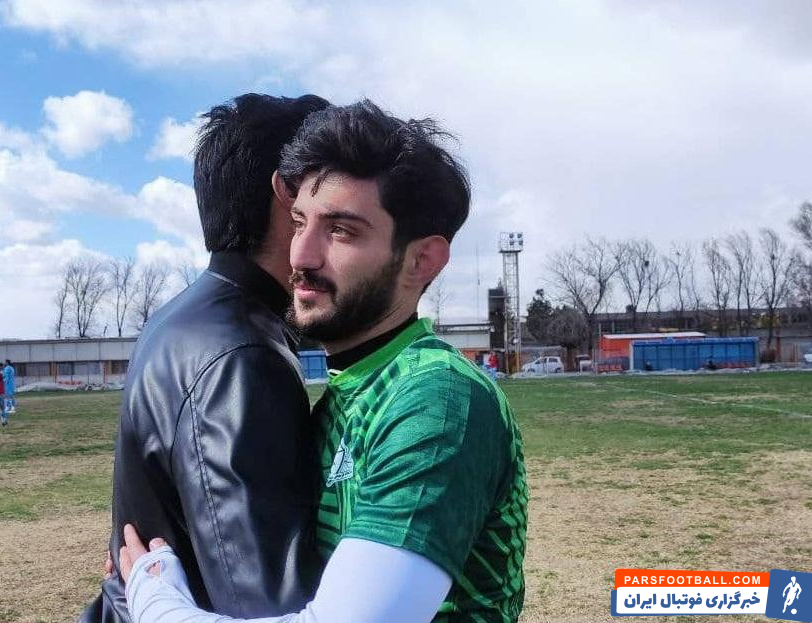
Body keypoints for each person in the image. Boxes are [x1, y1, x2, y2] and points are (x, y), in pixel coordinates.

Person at [119, 101, 528, 623]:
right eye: (298, 222)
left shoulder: (437, 397)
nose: (300, 255)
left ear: (422, 259)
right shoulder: (348, 391)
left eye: (340, 231)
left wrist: (153, 600)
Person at [78, 94, 331, 623]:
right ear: (287, 195)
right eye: (327, 188)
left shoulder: (179, 319)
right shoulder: (243, 356)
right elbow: (264, 603)